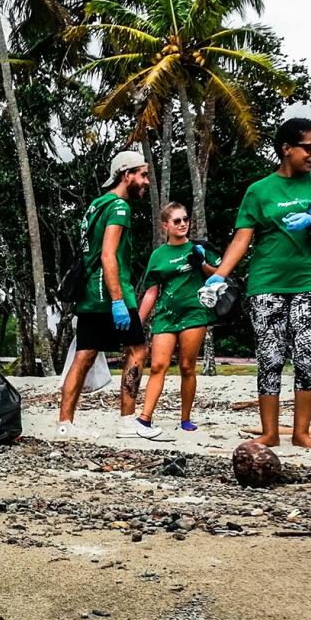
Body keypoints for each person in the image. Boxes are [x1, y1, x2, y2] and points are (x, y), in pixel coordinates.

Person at [206, 118, 311, 448]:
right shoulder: (259, 191)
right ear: (287, 149)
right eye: (309, 147)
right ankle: (270, 433)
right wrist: (219, 274)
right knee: (270, 357)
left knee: (307, 356)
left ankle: (302, 432)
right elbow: (242, 239)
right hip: (267, 284)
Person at [57, 149, 151, 437]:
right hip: (110, 292)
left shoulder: (96, 205)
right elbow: (109, 255)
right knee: (137, 349)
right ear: (127, 175)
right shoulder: (119, 208)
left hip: (89, 293)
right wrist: (119, 301)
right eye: (142, 174)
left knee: (84, 356)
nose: (146, 181)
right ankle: (126, 420)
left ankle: (64, 424)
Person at [132, 202, 215, 437]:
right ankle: (145, 418)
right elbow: (151, 291)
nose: (182, 224)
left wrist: (202, 263)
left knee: (187, 367)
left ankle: (185, 418)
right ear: (165, 226)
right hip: (166, 316)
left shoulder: (198, 248)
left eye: (185, 219)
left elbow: (217, 276)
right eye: (176, 221)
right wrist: (137, 320)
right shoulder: (158, 255)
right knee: (158, 365)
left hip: (194, 313)